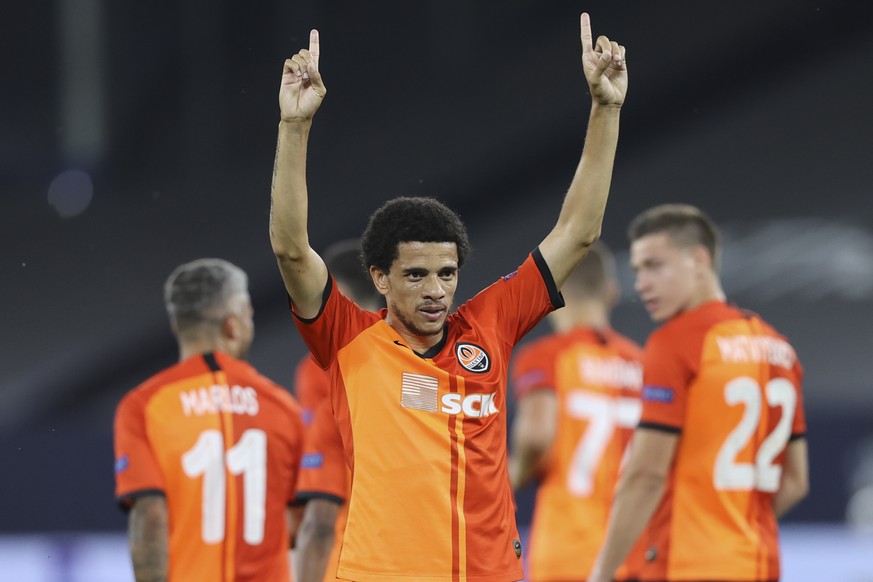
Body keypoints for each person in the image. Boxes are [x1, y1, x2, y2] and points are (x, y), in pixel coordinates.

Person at [270, 13, 627, 581]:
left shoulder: (491, 323)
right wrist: (294, 129)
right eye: (415, 276)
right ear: (380, 278)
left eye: (447, 273)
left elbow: (577, 232)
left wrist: (606, 109)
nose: (435, 291)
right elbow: (291, 251)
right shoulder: (347, 338)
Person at [589, 204, 809, 582]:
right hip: (759, 563)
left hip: (685, 564)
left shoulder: (676, 343)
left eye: (654, 265)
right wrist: (734, 529)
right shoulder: (780, 349)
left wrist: (601, 574)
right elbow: (796, 481)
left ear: (699, 259)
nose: (641, 283)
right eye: (638, 270)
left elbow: (646, 476)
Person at [113, 258, 305, 582]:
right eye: (249, 314)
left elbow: (149, 518)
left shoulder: (143, 405)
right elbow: (300, 524)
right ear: (232, 324)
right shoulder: (282, 407)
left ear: (177, 324)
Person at [509, 241, 646, 581]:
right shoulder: (644, 365)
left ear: (553, 297)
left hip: (570, 553)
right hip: (635, 553)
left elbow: (537, 436)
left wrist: (514, 476)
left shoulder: (547, 356)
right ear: (611, 293)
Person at [293, 240, 382, 582]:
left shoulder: (320, 365)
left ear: (338, 289)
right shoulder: (416, 355)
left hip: (347, 552)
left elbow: (321, 464)